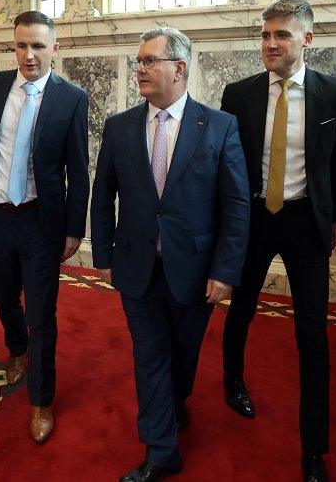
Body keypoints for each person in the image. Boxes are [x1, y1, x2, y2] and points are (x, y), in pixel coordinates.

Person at [90, 27, 249, 481]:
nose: (139, 69)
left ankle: (176, 404)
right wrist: (103, 254)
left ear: (179, 68)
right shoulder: (119, 127)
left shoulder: (219, 126)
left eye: (149, 61)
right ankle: (161, 450)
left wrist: (225, 270)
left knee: (183, 353)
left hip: (197, 270)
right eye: (138, 62)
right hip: (137, 266)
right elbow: (103, 196)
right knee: (149, 355)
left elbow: (236, 204)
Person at [219, 0, 336, 482]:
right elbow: (229, 167)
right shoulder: (239, 94)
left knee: (312, 335)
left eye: (282, 35)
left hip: (305, 225)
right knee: (242, 308)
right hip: (253, 220)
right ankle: (232, 379)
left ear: (307, 40)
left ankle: (313, 449)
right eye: (265, 34)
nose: (270, 43)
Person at [0, 10, 89, 443]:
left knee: (42, 312)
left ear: (55, 48)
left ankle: (40, 399)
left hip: (40, 220)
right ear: (13, 46)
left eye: (38, 46)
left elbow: (78, 168)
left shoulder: (71, 97)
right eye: (21, 45)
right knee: (1, 294)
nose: (29, 54)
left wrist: (74, 228)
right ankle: (16, 348)